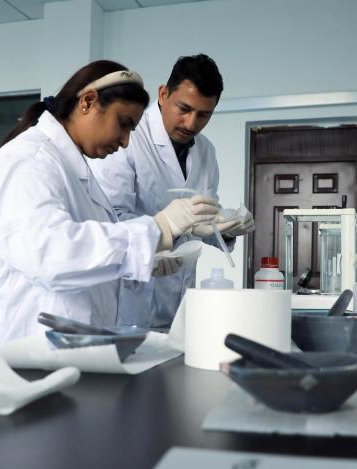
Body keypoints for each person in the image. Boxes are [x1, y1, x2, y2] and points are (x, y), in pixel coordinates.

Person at [0, 60, 219, 357]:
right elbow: (52, 254)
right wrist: (158, 229)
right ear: (87, 102)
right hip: (19, 357)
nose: (125, 142)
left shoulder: (72, 168)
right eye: (123, 124)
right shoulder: (29, 161)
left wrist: (144, 259)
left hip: (61, 355)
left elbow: (86, 252)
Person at [89, 54, 254, 328]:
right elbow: (109, 217)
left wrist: (224, 228)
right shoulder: (128, 137)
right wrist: (162, 231)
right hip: (132, 296)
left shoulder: (206, 151)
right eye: (184, 109)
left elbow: (201, 218)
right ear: (163, 94)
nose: (191, 124)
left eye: (204, 115)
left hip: (178, 297)